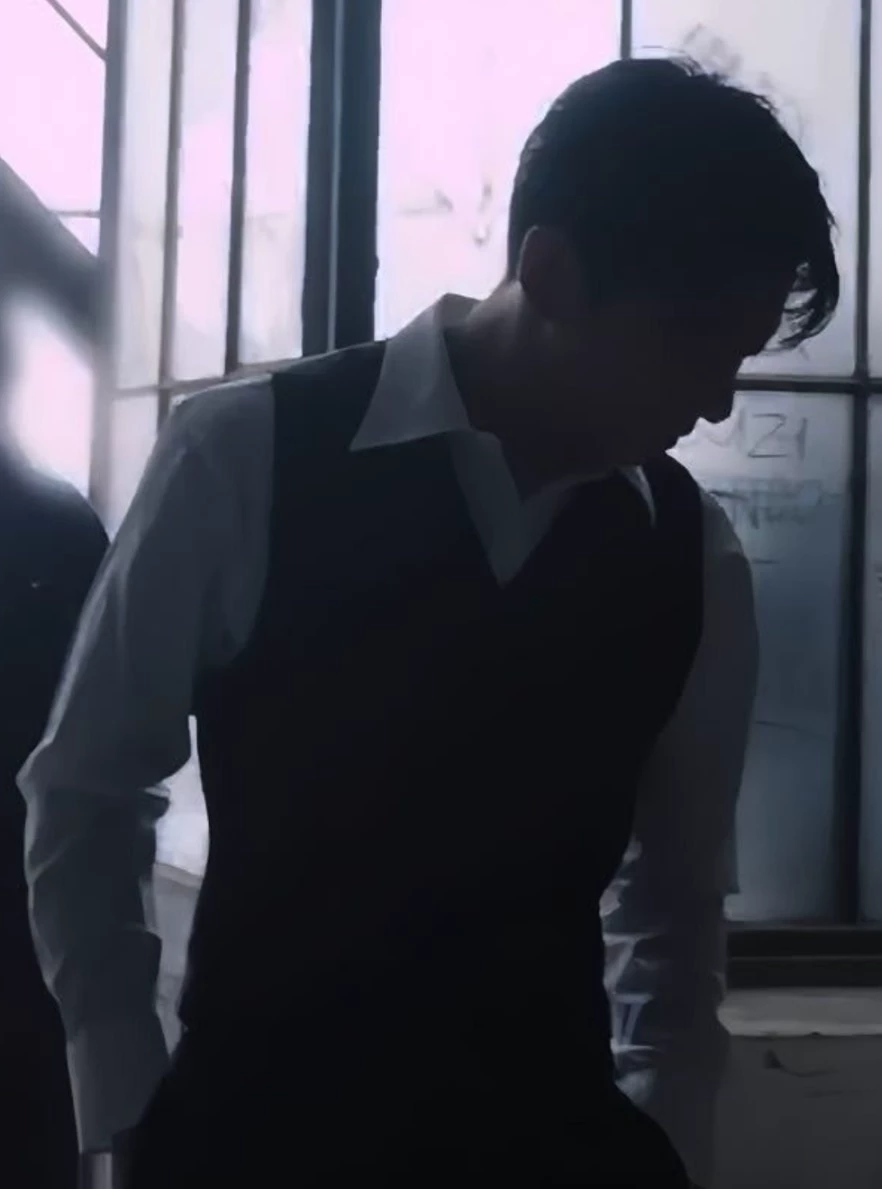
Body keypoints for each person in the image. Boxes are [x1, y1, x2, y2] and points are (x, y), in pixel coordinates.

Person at [19, 57, 837, 1188]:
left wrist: (668, 1141)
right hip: (253, 1142)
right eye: (695, 348)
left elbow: (674, 909)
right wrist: (123, 1102)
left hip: (554, 1153)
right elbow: (86, 787)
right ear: (550, 273)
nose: (716, 402)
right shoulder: (246, 453)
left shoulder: (690, 552)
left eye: (738, 358)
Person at [0, 300, 108, 1188]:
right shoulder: (63, 525)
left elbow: (107, 741)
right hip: (35, 908)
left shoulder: (63, 526)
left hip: (31, 913)